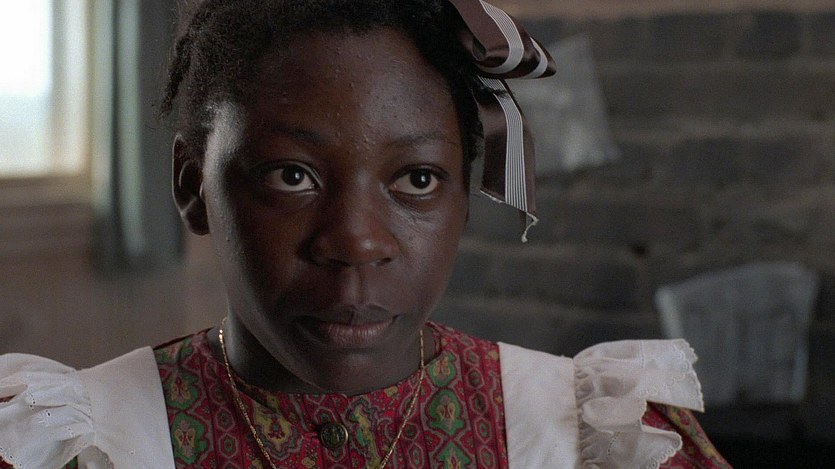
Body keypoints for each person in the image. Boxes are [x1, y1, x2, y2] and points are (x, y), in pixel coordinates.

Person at [0, 1, 731, 468]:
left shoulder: (591, 437)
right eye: (291, 175)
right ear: (194, 187)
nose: (354, 241)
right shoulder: (79, 443)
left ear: (466, 197)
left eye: (417, 179)